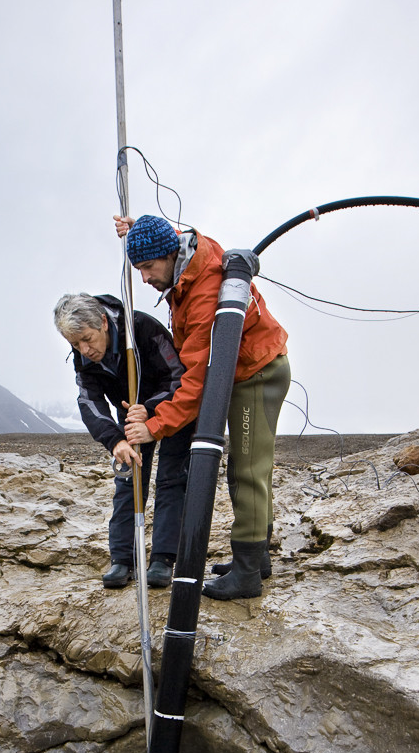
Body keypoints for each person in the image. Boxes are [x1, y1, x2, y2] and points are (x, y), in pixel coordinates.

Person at [115, 213, 290, 601]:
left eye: (148, 267)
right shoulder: (183, 255)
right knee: (245, 469)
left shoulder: (205, 291)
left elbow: (197, 379)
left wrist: (154, 426)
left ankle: (247, 575)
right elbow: (166, 235)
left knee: (248, 471)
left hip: (256, 373)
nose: (144, 278)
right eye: (138, 268)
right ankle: (256, 558)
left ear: (169, 255)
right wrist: (136, 229)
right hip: (242, 372)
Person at [53, 291, 193, 589]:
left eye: (87, 339)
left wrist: (151, 409)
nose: (84, 350)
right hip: (130, 415)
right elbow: (89, 400)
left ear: (103, 323)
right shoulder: (83, 355)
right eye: (75, 344)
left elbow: (178, 376)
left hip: (171, 409)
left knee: (171, 478)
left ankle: (163, 559)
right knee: (128, 479)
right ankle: (122, 559)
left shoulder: (142, 328)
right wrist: (115, 440)